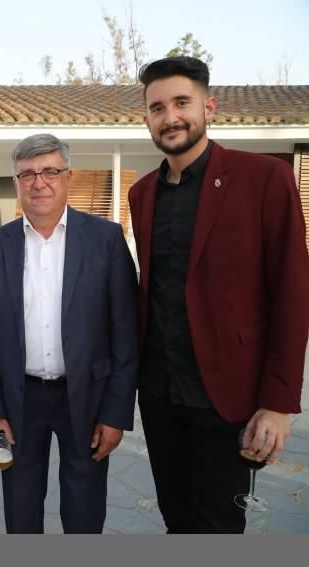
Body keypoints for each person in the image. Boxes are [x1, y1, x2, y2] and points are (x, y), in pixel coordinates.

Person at [129, 56, 309, 533]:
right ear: (146, 118)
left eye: (182, 102)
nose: (170, 117)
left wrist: (278, 403)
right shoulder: (142, 193)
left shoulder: (264, 178)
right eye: (157, 107)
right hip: (161, 395)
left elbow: (292, 293)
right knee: (177, 520)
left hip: (228, 397)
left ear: (209, 106)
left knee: (218, 526)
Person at [0, 133, 138, 533]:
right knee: (21, 508)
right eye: (26, 174)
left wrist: (116, 414)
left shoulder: (106, 240)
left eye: (49, 171)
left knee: (84, 510)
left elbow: (126, 334)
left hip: (85, 398)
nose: (38, 182)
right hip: (19, 401)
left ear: (68, 176)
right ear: (16, 183)